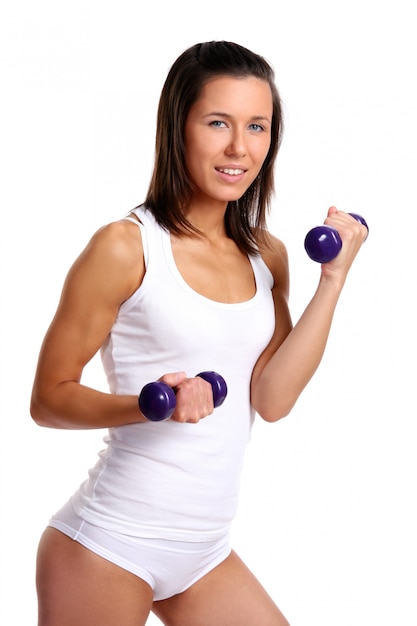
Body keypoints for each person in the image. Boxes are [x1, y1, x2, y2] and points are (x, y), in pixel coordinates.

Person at [30, 40, 367, 626]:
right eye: (218, 122)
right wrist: (149, 405)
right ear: (177, 128)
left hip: (204, 552)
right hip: (109, 544)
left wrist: (332, 282)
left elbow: (274, 399)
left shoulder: (267, 254)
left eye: (257, 126)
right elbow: (48, 399)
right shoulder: (125, 246)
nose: (240, 147)